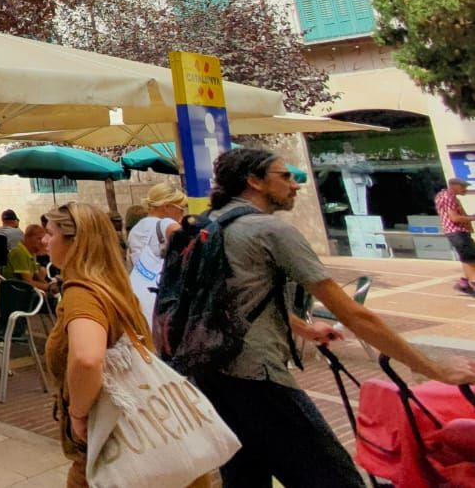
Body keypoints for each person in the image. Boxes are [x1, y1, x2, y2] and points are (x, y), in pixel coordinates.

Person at [194, 148, 475, 487]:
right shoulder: (268, 230)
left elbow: (225, 301)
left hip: (211, 375)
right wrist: (432, 368)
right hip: (259, 377)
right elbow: (354, 314)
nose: (295, 185)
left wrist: (303, 327)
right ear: (254, 181)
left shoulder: (207, 224)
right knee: (334, 478)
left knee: (245, 477)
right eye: (285, 177)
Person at [42, 202, 182, 488]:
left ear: (75, 242)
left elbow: (87, 358)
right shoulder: (114, 284)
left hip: (105, 437)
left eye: (50, 233)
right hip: (136, 429)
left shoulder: (81, 292)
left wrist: (78, 413)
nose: (44, 240)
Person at [126, 183, 188, 322]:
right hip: (163, 295)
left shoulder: (136, 229)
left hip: (141, 294)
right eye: (181, 208)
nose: (182, 213)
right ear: (166, 206)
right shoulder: (166, 224)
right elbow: (189, 245)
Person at [435, 177, 475, 297]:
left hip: (457, 232)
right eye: (463, 187)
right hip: (457, 232)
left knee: (467, 258)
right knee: (471, 259)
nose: (465, 189)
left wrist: (469, 217)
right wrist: (472, 218)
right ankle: (472, 283)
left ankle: (465, 283)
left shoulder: (444, 196)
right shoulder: (448, 197)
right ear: (454, 185)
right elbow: (455, 218)